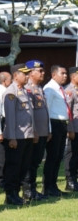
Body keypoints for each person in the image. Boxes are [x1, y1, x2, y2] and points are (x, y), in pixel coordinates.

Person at [2, 64, 36, 205]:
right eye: (24, 74)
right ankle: (11, 195)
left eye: (28, 74)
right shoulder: (11, 92)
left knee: (23, 166)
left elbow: (29, 115)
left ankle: (16, 193)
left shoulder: (25, 92)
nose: (27, 76)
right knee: (13, 167)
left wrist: (33, 132)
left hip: (27, 136)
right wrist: (12, 137)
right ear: (16, 75)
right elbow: (9, 117)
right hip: (16, 136)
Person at [42, 64, 73, 198]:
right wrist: (48, 129)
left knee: (58, 157)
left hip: (61, 124)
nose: (65, 76)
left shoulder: (60, 89)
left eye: (66, 73)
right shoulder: (50, 89)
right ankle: (48, 186)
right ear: (54, 74)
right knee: (52, 157)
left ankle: (53, 185)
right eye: (62, 73)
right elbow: (46, 110)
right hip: (54, 124)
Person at [23, 60, 51, 199]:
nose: (43, 73)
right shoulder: (27, 89)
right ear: (30, 73)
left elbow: (45, 111)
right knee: (30, 162)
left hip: (42, 132)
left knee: (36, 162)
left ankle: (33, 189)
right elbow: (30, 114)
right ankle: (28, 190)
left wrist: (48, 130)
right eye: (40, 71)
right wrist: (33, 130)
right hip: (34, 132)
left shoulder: (40, 88)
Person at [0, 71, 13, 188]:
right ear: (4, 81)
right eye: (10, 79)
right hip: (2, 121)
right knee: (0, 153)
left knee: (8, 153)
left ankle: (6, 177)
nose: (11, 82)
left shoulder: (9, 92)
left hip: (9, 122)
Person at [63, 67, 78, 192]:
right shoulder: (69, 91)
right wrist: (70, 129)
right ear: (73, 76)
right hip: (75, 128)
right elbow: (68, 112)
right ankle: (70, 180)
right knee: (71, 154)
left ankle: (75, 179)